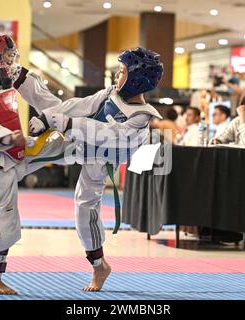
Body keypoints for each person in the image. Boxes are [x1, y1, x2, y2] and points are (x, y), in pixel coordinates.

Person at [0, 32, 112, 295]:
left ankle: (98, 261)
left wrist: (67, 114)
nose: (10, 64)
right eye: (5, 58)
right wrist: (5, 137)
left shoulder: (8, 85)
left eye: (11, 58)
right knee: (5, 216)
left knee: (71, 145)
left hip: (19, 153)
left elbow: (53, 105)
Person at [28, 47, 164, 292]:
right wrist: (49, 118)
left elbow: (107, 134)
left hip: (99, 160)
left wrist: (66, 123)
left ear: (136, 80)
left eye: (122, 72)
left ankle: (99, 265)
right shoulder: (111, 92)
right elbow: (80, 105)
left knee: (84, 210)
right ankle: (19, 78)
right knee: (37, 135)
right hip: (77, 142)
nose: (116, 76)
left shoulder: (141, 117)